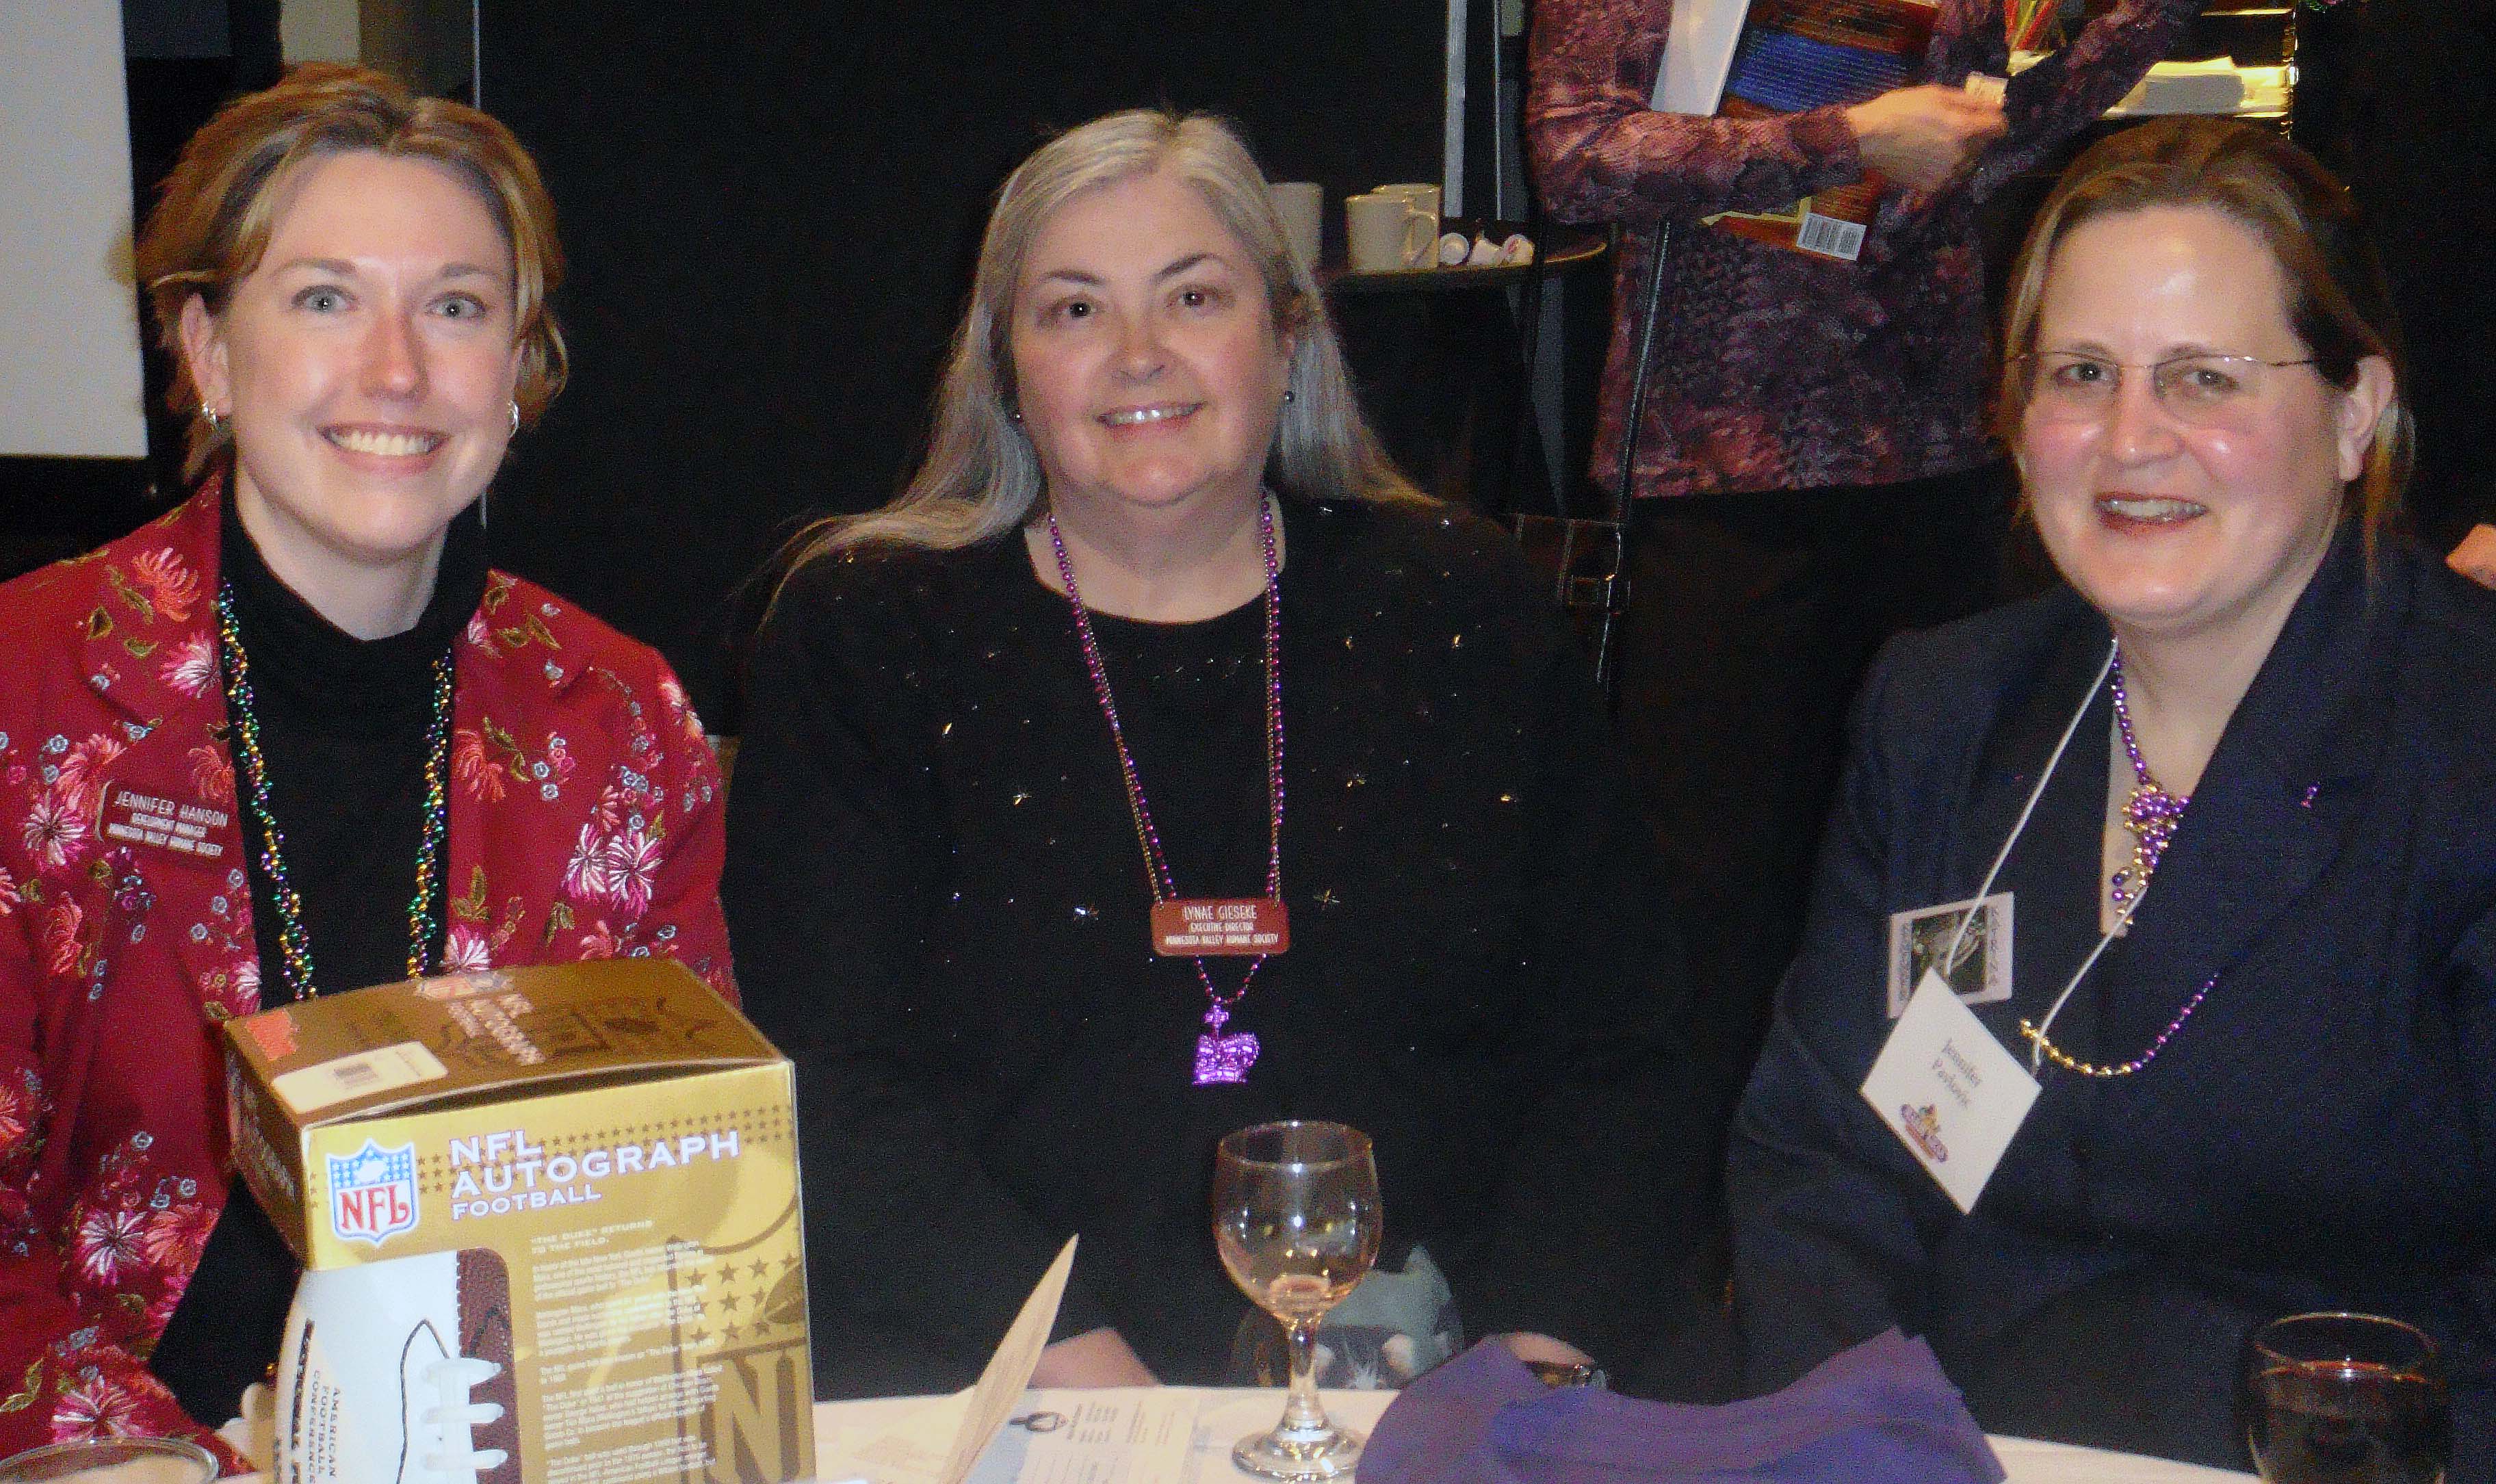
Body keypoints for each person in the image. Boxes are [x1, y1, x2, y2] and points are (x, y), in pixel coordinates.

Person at [725, 108, 1710, 1399]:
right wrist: (1091, 1392)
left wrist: (1531, 1372)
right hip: (1008, 1385)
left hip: (1445, 1381)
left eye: (1195, 295)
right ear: (1004, 366)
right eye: (1073, 311)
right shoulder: (867, 631)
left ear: (1289, 335)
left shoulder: (1464, 605)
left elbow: (1623, 1040)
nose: (1140, 354)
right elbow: (830, 1085)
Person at [1728, 117, 2496, 1471]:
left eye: (2204, 378)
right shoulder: (1946, 710)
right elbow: (1822, 1168)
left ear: (2356, 413)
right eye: (2080, 372)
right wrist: (1853, 1442)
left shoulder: (2467, 740)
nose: (2133, 439)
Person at [0, 65, 731, 1463]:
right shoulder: (26, 687)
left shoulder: (619, 718)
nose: (397, 370)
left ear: (517, 367)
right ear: (210, 352)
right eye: (325, 298)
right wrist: (144, 1454)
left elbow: (672, 1184)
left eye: (456, 307)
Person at [1525, 0, 2198, 1125]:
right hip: (1725, 473)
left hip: (1937, 456)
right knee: (1715, 891)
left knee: (1951, 875)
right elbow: (1578, 156)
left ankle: (1916, 1193)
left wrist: (2126, 33)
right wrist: (1851, 140)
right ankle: (1693, 1240)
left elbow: (1995, 146)